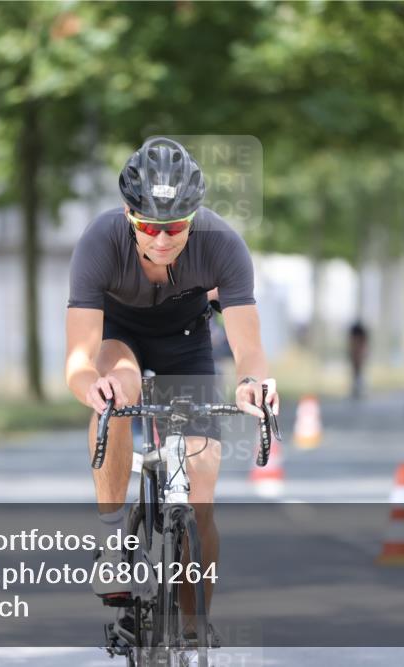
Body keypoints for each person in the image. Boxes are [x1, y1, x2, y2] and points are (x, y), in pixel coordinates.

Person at [64, 137, 279, 643]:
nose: (162, 239)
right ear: (128, 214)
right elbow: (78, 359)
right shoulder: (98, 243)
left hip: (187, 343)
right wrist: (89, 388)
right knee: (118, 393)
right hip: (121, 339)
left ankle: (192, 621)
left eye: (176, 226)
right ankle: (115, 538)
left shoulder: (223, 244)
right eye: (150, 226)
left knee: (202, 472)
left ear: (194, 216)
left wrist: (253, 385)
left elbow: (249, 349)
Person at [347, 320, 369, 399]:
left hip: (359, 352)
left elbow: (363, 343)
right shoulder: (355, 337)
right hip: (356, 353)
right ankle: (355, 389)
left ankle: (359, 388)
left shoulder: (360, 340)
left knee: (359, 372)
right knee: (355, 372)